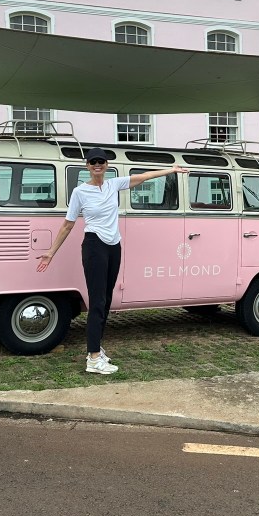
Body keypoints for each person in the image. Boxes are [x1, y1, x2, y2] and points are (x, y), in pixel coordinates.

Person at [37, 147, 188, 375]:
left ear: (106, 165)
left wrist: (172, 170)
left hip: (113, 246)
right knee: (97, 302)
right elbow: (68, 224)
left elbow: (144, 177)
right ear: (87, 166)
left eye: (101, 161)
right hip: (94, 246)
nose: (97, 165)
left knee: (106, 300)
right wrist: (51, 252)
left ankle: (96, 348)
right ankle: (93, 358)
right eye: (93, 162)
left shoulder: (113, 185)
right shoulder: (80, 192)